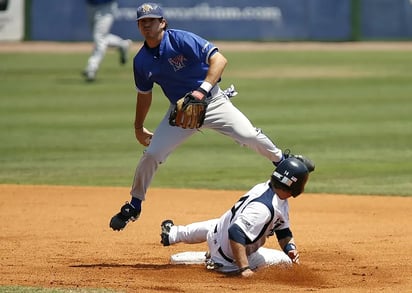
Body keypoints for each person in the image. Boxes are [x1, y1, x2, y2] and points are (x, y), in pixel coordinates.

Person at [109, 3, 315, 231]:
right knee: (152, 154)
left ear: (163, 22)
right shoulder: (141, 61)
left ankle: (284, 161)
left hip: (213, 100)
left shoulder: (180, 40)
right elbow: (144, 95)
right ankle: (135, 204)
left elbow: (220, 60)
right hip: (180, 113)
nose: (147, 25)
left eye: (152, 20)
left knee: (248, 135)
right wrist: (138, 127)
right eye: (142, 22)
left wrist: (202, 90)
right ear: (138, 26)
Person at [160, 157, 310, 277]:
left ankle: (174, 234)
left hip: (216, 234)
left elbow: (282, 229)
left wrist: (290, 248)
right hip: (229, 258)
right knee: (284, 262)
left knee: (220, 222)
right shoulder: (264, 209)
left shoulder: (268, 188)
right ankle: (215, 261)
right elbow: (235, 232)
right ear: (296, 187)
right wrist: (244, 268)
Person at [83, 0, 131, 82]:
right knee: (100, 37)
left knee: (99, 37)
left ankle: (92, 67)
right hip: (91, 5)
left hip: (106, 6)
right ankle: (122, 44)